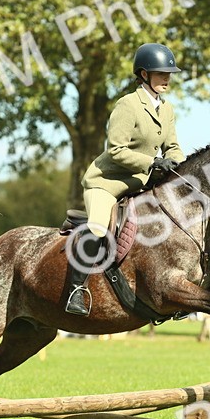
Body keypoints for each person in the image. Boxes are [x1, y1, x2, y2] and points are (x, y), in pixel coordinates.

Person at [67, 43, 186, 315]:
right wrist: (153, 162)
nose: (167, 78)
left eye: (169, 73)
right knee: (97, 227)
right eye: (160, 73)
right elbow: (116, 150)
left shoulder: (166, 109)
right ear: (144, 74)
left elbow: (172, 147)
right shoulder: (128, 104)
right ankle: (76, 290)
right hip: (107, 182)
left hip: (141, 184)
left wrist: (181, 165)